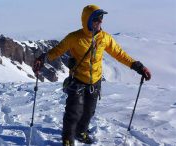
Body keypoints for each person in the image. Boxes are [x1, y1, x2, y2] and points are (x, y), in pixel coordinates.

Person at [32, 4, 151, 146]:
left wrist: (138, 66)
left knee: (89, 111)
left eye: (101, 19)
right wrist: (42, 59)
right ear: (87, 20)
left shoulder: (105, 38)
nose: (100, 22)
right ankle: (68, 139)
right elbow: (58, 50)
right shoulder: (75, 37)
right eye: (96, 19)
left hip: (95, 81)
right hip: (77, 80)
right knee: (73, 112)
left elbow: (119, 54)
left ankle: (81, 132)